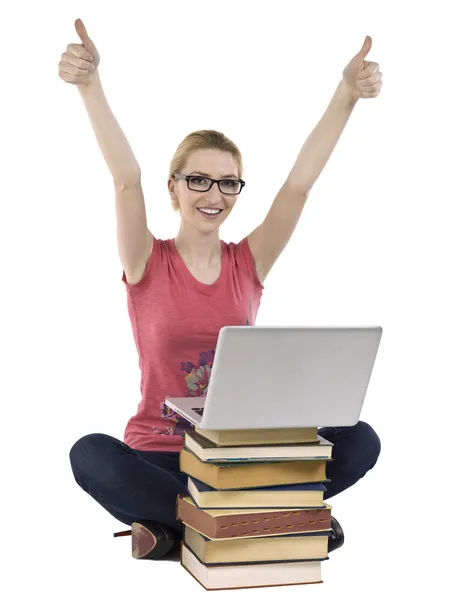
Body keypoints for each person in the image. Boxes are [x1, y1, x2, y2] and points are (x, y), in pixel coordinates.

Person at [61, 19, 383, 561]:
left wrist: (346, 94)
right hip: (161, 456)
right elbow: (124, 179)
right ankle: (270, 520)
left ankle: (180, 529)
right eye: (198, 180)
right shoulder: (147, 259)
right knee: (90, 455)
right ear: (175, 187)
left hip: (241, 456)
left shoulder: (248, 261)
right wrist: (89, 85)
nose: (214, 194)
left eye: (228, 181)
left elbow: (298, 186)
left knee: (361, 439)